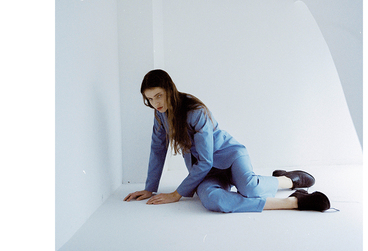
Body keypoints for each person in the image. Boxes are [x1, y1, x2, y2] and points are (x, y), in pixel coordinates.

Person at [124, 69, 331, 212]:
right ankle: (295, 202)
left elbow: (206, 159)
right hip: (206, 172)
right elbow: (158, 148)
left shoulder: (195, 111)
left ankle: (288, 180)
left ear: (170, 89)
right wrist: (150, 188)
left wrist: (177, 194)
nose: (155, 103)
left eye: (158, 95)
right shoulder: (160, 115)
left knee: (250, 188)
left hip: (230, 157)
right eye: (150, 99)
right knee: (213, 201)